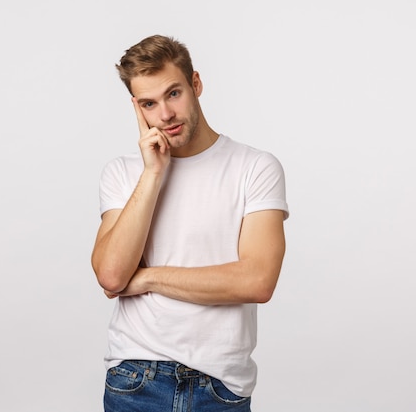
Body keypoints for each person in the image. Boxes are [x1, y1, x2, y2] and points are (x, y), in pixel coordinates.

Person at [91, 35, 289, 412]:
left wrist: (148, 278)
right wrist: (153, 174)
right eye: (149, 104)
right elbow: (112, 276)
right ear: (137, 109)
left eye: (174, 94)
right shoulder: (122, 173)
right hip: (136, 377)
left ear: (195, 84)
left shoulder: (255, 167)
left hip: (221, 386)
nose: (164, 114)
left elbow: (258, 281)